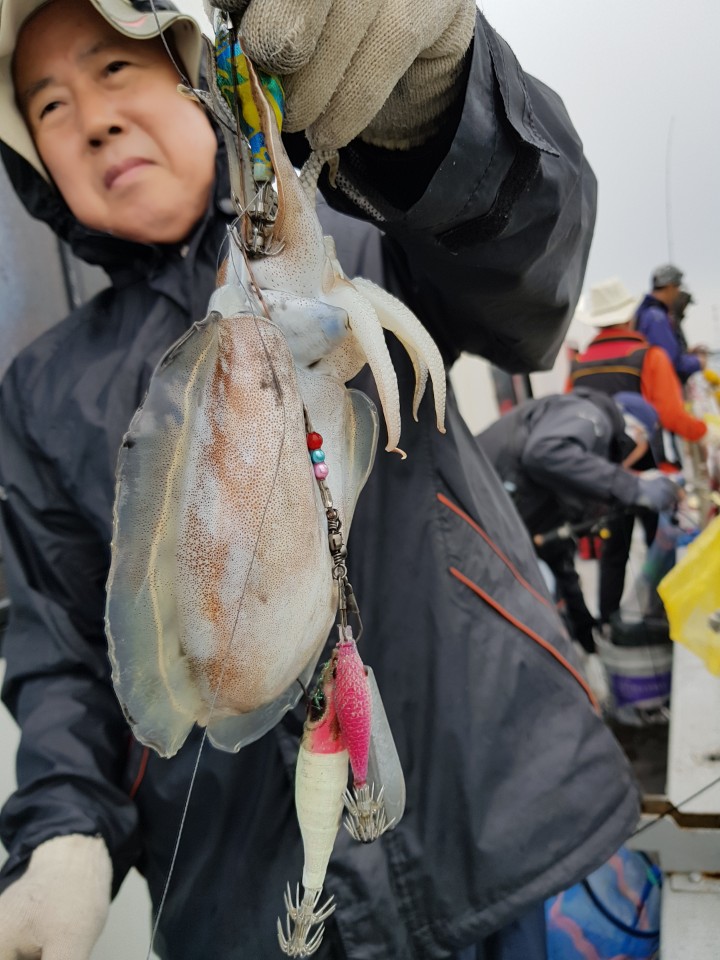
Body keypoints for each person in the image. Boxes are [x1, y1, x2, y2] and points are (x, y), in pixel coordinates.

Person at [0, 1, 641, 957]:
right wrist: (64, 834)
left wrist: (442, 110)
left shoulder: (378, 231)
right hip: (239, 910)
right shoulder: (42, 389)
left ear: (190, 75)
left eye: (115, 67)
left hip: (510, 819)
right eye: (48, 105)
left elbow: (531, 280)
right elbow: (58, 646)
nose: (92, 119)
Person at [477, 388, 676, 658]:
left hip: (502, 513)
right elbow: (544, 452)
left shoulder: (574, 452)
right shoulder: (592, 416)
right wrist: (632, 486)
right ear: (636, 432)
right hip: (484, 511)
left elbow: (557, 547)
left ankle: (584, 640)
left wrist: (587, 632)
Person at [568, 278, 719, 623]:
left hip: (598, 472)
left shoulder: (579, 363)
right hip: (647, 469)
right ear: (627, 316)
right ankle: (661, 617)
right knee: (658, 541)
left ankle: (608, 621)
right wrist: (707, 433)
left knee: (613, 547)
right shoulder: (649, 357)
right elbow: (671, 414)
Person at [635, 264, 707, 383]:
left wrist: (685, 352)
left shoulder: (645, 312)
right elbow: (669, 360)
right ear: (669, 286)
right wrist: (698, 362)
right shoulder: (656, 317)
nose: (678, 292)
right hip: (661, 388)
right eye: (677, 287)